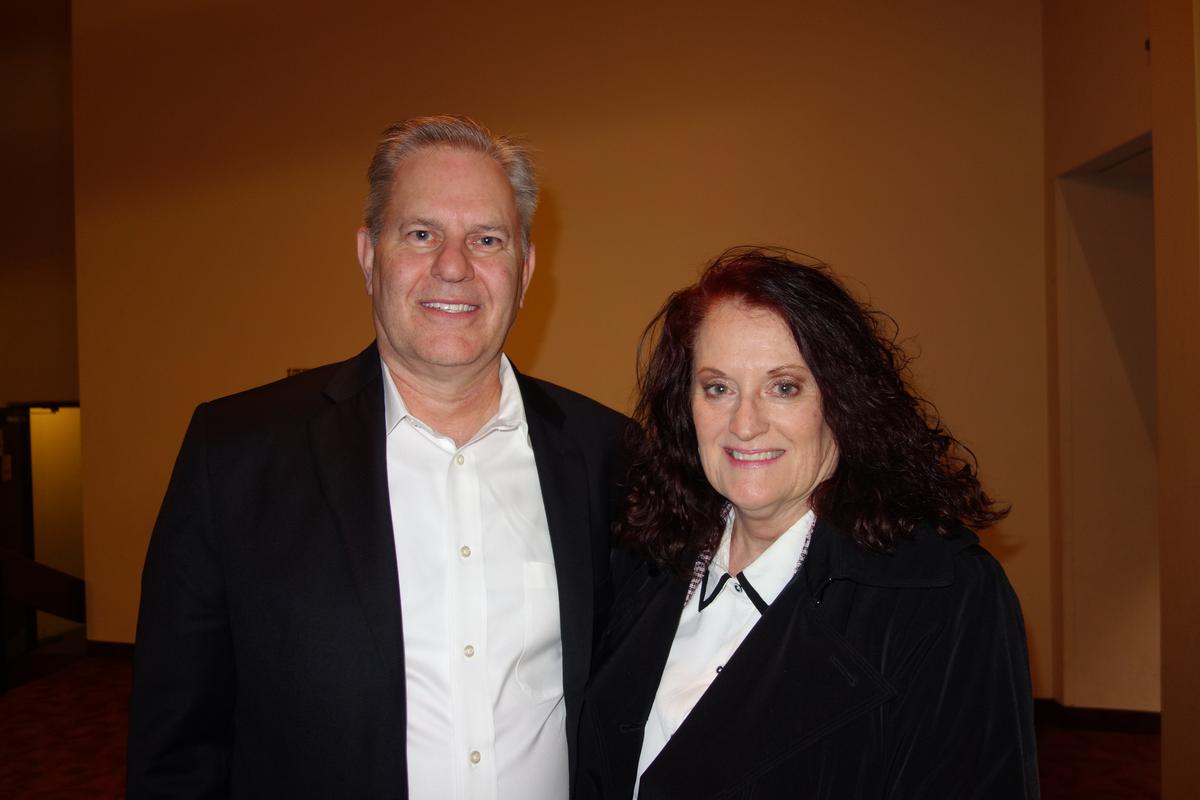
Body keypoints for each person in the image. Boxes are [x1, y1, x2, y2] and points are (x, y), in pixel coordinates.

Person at [128, 115, 628, 799]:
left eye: (487, 239)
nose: (453, 266)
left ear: (526, 267)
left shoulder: (606, 453)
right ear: (369, 256)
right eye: (421, 234)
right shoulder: (235, 455)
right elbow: (176, 749)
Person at [576, 248, 1040, 798]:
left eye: (784, 387)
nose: (745, 424)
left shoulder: (946, 597)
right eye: (718, 388)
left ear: (843, 401)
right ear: (687, 407)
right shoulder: (645, 560)